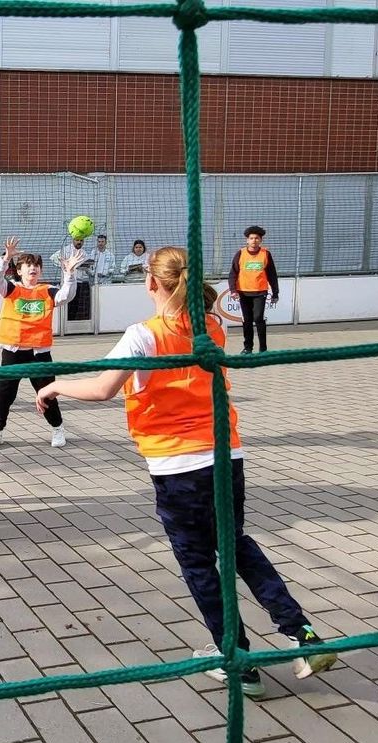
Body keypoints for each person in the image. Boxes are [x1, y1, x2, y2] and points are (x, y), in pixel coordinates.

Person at [36, 246, 337, 697]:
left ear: (151, 283)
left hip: (178, 467)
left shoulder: (144, 335)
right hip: (227, 455)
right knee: (235, 545)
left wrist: (54, 385)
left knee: (198, 563)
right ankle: (301, 634)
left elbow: (102, 389)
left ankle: (236, 659)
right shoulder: (212, 326)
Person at [0, 237, 76, 451]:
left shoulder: (48, 290)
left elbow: (66, 296)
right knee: (4, 395)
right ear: (19, 270)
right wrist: (6, 258)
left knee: (47, 393)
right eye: (28, 265)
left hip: (39, 353)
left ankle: (58, 428)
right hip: (13, 351)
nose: (33, 268)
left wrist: (70, 273)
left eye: (36, 265)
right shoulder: (11, 288)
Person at [228, 226, 280, 354]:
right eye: (251, 238)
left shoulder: (265, 254)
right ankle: (248, 347)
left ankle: (263, 348)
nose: (254, 240)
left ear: (260, 240)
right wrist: (233, 290)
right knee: (247, 320)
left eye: (257, 238)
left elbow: (272, 274)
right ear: (247, 240)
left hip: (260, 292)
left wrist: (275, 293)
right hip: (243, 291)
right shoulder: (240, 253)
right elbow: (233, 273)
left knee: (258, 318)